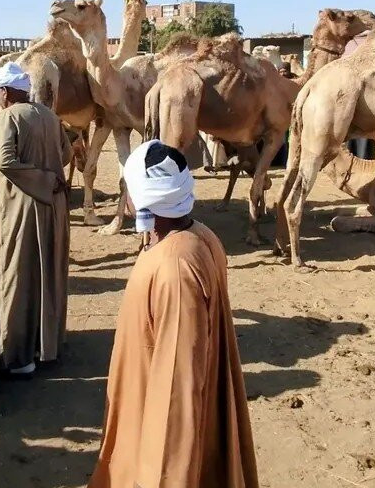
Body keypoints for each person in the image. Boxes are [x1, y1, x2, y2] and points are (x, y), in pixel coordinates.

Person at [89, 140, 259, 488]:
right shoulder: (199, 235)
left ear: (142, 196)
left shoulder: (174, 268)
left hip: (160, 435)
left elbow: (176, 393)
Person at [0, 62, 71, 377]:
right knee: (49, 271)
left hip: (23, 207)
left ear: (4, 92)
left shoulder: (7, 117)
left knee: (18, 275)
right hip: (55, 206)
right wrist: (49, 172)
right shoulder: (49, 115)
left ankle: (19, 355)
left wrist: (41, 179)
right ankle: (47, 344)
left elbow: (4, 160)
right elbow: (67, 153)